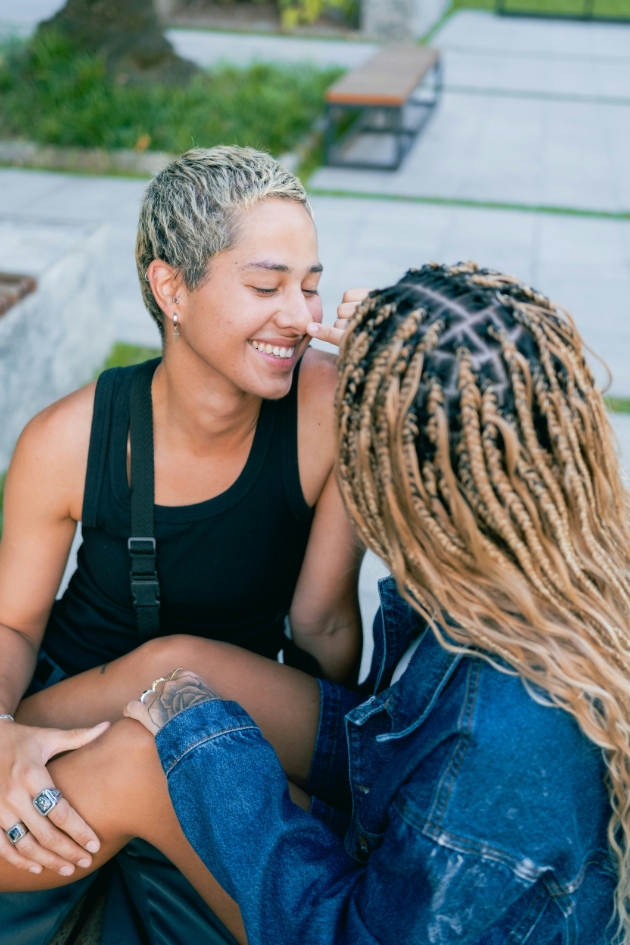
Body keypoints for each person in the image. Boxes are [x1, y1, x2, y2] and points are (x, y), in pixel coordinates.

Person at [0, 261, 623, 942]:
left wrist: (206, 738)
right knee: (172, 662)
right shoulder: (550, 559)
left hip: (362, 901)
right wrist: (406, 347)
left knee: (144, 754)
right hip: (399, 774)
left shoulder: (501, 734)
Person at [0, 146, 366, 944]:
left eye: (309, 288)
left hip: (233, 703)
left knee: (179, 673)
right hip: (78, 710)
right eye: (267, 286)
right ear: (172, 288)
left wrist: (320, 795)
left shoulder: (333, 407)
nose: (301, 318)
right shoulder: (65, 440)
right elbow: (13, 626)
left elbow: (324, 625)